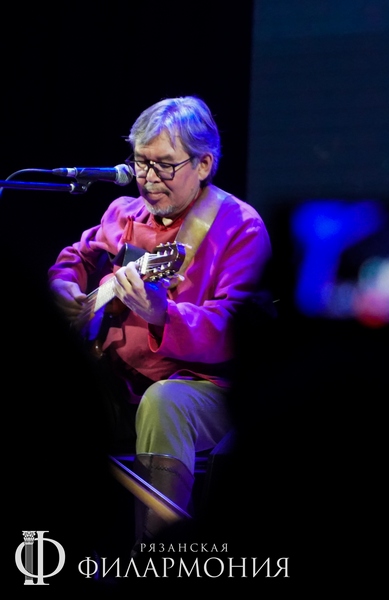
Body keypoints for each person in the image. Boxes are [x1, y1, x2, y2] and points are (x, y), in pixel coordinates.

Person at [48, 96, 272, 549]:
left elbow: (235, 328)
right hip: (117, 379)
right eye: (141, 162)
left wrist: (162, 314)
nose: (148, 178)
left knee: (165, 401)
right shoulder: (123, 213)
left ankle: (157, 557)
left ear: (204, 164)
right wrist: (63, 285)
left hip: (203, 389)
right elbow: (76, 256)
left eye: (165, 165)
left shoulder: (240, 227)